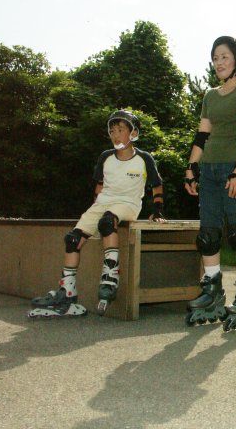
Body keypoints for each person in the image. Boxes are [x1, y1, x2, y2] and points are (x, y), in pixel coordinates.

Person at [29, 109, 166, 318]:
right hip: (103, 204)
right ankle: (67, 291)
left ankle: (110, 276)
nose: (115, 135)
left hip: (128, 204)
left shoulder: (144, 158)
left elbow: (157, 185)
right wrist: (92, 213)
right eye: (112, 131)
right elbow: (99, 186)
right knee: (73, 239)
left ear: (134, 133)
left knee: (107, 222)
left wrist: (157, 211)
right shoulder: (106, 157)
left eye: (120, 130)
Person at [184, 35, 236, 332]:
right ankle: (212, 292)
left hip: (234, 168)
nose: (218, 62)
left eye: (224, 57)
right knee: (208, 236)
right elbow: (202, 135)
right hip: (209, 171)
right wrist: (191, 168)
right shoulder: (210, 96)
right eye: (215, 58)